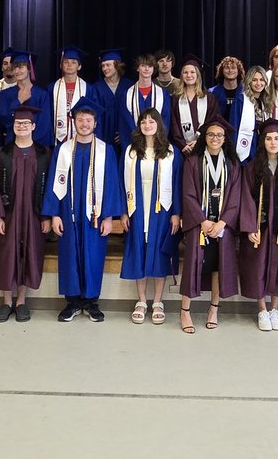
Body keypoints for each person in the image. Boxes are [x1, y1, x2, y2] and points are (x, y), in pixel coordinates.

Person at [42, 97, 126, 322]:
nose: (84, 124)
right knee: (69, 254)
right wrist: (54, 214)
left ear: (95, 123)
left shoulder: (105, 150)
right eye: (80, 120)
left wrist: (109, 217)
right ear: (74, 122)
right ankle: (71, 302)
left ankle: (90, 302)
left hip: (95, 215)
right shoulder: (63, 150)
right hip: (68, 213)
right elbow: (54, 181)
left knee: (93, 254)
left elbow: (111, 184)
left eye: (88, 120)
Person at [178, 114, 242, 334]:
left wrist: (223, 222)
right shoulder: (193, 162)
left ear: (225, 139)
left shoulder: (233, 164)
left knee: (217, 266)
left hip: (222, 226)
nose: (215, 138)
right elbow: (187, 194)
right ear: (204, 137)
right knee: (193, 266)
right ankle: (185, 310)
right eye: (211, 134)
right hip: (200, 225)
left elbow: (236, 196)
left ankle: (213, 309)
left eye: (219, 135)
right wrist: (203, 221)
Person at [238, 119, 278, 331]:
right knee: (258, 267)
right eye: (268, 138)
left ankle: (275, 309)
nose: (272, 142)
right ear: (262, 141)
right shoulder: (251, 168)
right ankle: (262, 310)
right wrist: (249, 228)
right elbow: (246, 199)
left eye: (276, 138)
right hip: (260, 229)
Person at [120, 108, 183, 324]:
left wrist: (176, 214)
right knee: (139, 250)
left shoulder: (170, 151)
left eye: (151, 121)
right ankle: (141, 301)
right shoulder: (130, 151)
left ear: (159, 125)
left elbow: (177, 184)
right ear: (139, 126)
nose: (147, 125)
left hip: (161, 209)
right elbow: (122, 183)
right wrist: (123, 212)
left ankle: (157, 301)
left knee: (158, 252)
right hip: (136, 206)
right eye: (144, 122)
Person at [0, 106, 52, 323]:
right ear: (13, 127)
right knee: (6, 256)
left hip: (34, 215)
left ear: (33, 126)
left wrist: (47, 216)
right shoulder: (1, 154)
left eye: (26, 124)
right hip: (8, 215)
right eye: (18, 124)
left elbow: (51, 187)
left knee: (29, 254)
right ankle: (6, 302)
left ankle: (21, 301)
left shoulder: (45, 154)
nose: (22, 126)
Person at [117, 52, 171, 151]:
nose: (147, 69)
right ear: (138, 68)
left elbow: (165, 121)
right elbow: (124, 125)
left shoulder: (162, 95)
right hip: (133, 145)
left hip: (156, 145)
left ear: (154, 68)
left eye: (150, 66)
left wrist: (157, 143)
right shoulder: (127, 95)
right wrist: (134, 144)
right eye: (143, 65)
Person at [0, 50, 52, 146]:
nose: (17, 71)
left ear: (29, 69)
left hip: (37, 147)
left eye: (21, 67)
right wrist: (18, 101)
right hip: (13, 145)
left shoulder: (42, 94)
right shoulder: (6, 94)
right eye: (14, 68)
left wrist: (30, 145)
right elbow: (3, 119)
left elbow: (44, 125)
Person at [171, 55, 221, 156]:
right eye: (185, 72)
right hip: (182, 150)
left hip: (204, 147)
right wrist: (182, 145)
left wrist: (200, 141)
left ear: (198, 75)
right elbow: (173, 124)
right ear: (182, 75)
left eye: (192, 72)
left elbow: (213, 120)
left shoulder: (208, 97)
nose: (189, 75)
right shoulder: (176, 98)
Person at [88, 48, 133, 146]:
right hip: (103, 136)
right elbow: (95, 114)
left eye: (108, 65)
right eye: (103, 65)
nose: (104, 68)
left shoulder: (129, 86)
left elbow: (133, 113)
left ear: (117, 65)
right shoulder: (96, 87)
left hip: (126, 138)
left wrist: (125, 133)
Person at [49, 45, 90, 145]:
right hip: (58, 136)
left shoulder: (88, 88)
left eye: (73, 62)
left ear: (79, 66)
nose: (69, 65)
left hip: (81, 134)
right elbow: (48, 114)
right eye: (66, 62)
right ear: (61, 65)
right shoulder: (52, 88)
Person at [235, 65, 269, 163]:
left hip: (261, 146)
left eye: (262, 80)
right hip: (247, 148)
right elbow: (234, 126)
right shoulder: (241, 100)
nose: (259, 83)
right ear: (249, 81)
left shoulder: (265, 101)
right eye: (254, 80)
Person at [207, 55, 245, 138]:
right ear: (222, 71)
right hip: (218, 134)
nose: (230, 70)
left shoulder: (245, 92)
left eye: (233, 67)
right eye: (227, 68)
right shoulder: (212, 92)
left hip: (240, 134)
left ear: (238, 71)